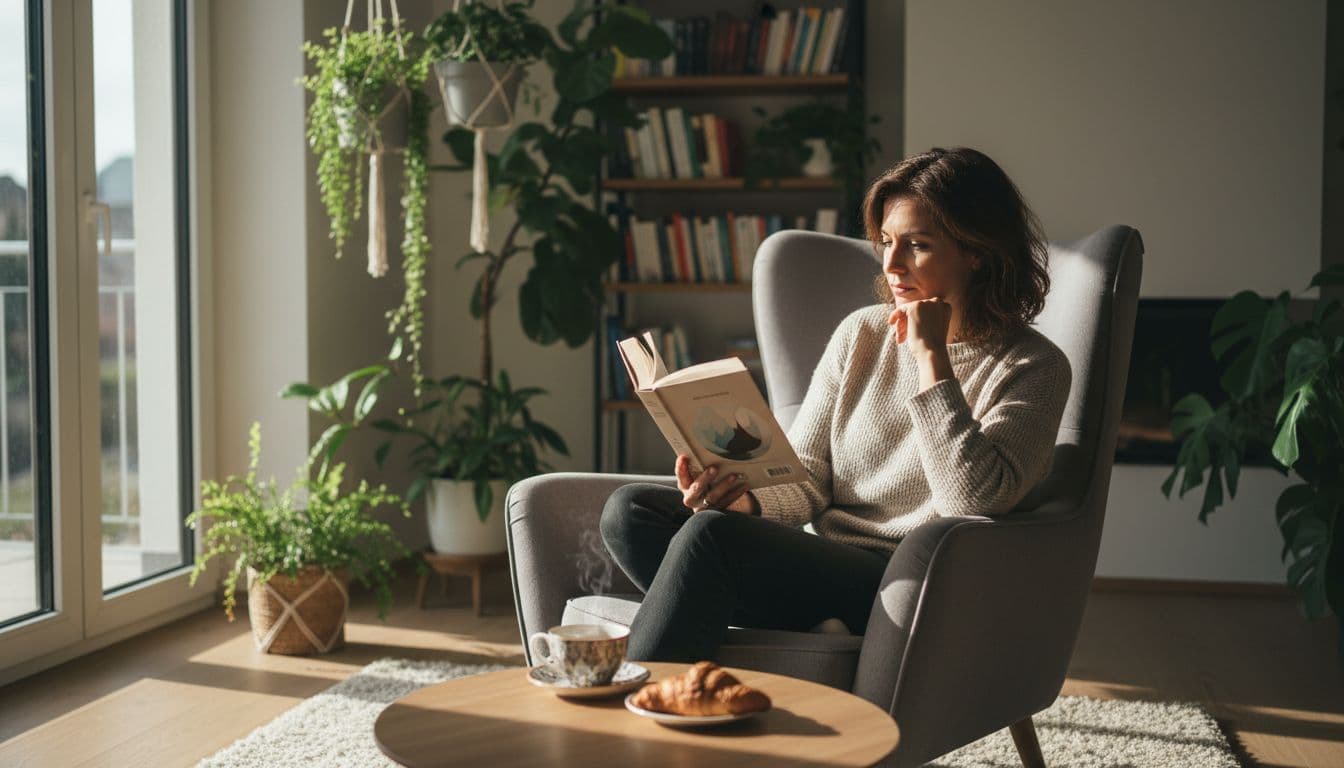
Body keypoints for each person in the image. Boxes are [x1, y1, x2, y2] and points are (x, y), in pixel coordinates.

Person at [600, 147, 1072, 663]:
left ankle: (640, 702)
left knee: (710, 539)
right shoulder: (861, 333)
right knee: (632, 512)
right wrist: (745, 502)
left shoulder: (1033, 365)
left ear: (976, 250)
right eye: (887, 242)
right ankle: (797, 622)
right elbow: (808, 478)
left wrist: (930, 358)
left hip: (909, 578)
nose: (891, 265)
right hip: (823, 561)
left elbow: (974, 501)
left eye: (916, 245)